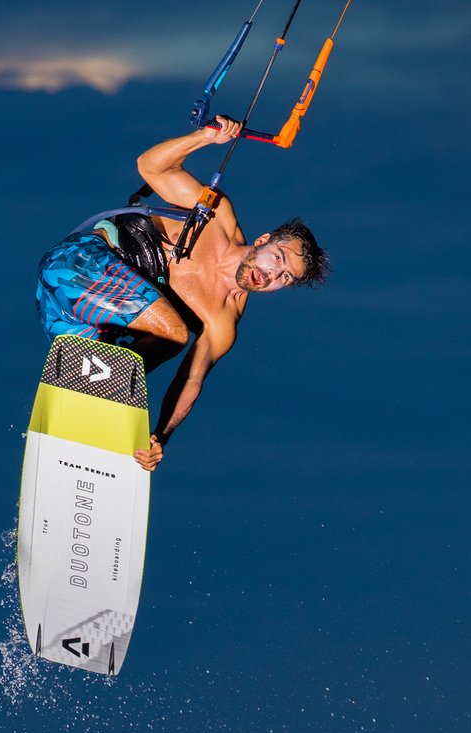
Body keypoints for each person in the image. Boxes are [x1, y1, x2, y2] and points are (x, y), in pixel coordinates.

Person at [35, 116, 329, 472]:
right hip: (76, 264)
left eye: (285, 278)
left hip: (73, 312)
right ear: (263, 240)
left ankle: (85, 429)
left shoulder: (223, 322)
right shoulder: (216, 216)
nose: (272, 275)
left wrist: (160, 435)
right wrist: (204, 137)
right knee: (173, 334)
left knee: (116, 358)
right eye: (277, 259)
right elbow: (151, 167)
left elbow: (190, 380)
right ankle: (104, 401)